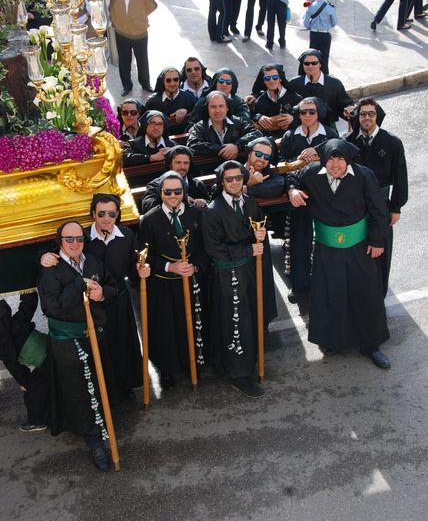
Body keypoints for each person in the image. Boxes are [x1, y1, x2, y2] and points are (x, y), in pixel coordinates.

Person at [286, 139, 391, 370]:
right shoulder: (313, 173)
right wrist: (292, 189)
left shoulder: (363, 176)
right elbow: (293, 177)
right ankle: (333, 341)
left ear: (348, 159)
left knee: (364, 294)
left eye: (340, 158)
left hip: (361, 247)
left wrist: (376, 240)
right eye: (331, 158)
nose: (335, 164)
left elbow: (379, 211)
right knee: (330, 293)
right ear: (324, 159)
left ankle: (370, 345)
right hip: (327, 247)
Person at [41, 196, 149, 401]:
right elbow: (60, 253)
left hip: (117, 298)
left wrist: (141, 270)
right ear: (93, 214)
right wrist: (42, 257)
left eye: (112, 213)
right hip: (91, 304)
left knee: (121, 343)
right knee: (102, 348)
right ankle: (105, 392)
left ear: (117, 215)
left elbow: (134, 271)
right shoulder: (83, 238)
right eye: (101, 213)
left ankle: (124, 387)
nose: (107, 218)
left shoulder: (126, 235)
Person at [38, 221, 117, 471]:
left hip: (95, 334)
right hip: (67, 340)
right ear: (59, 241)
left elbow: (115, 286)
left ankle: (105, 425)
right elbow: (52, 307)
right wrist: (78, 286)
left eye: (79, 239)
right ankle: (93, 440)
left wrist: (102, 293)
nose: (75, 244)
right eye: (69, 239)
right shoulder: (50, 269)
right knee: (78, 391)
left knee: (99, 382)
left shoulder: (93, 261)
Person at [201, 161, 277, 398]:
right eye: (229, 179)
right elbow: (215, 249)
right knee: (236, 323)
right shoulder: (212, 211)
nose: (234, 182)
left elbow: (259, 232)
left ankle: (251, 363)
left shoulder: (251, 203)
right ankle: (238, 373)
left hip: (250, 271)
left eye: (238, 178)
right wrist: (248, 250)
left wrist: (261, 235)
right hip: (227, 274)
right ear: (221, 182)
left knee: (252, 317)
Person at [138, 171, 209, 389]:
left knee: (194, 323)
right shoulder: (149, 220)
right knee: (166, 328)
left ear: (184, 192)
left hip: (192, 279)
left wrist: (194, 265)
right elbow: (144, 255)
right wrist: (171, 266)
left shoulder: (197, 215)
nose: (172, 195)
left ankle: (193, 363)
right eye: (167, 191)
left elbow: (207, 246)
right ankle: (167, 370)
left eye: (177, 191)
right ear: (160, 193)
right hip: (164, 283)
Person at [346, 97, 408, 297]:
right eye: (362, 114)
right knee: (357, 251)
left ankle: (379, 294)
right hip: (355, 206)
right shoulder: (347, 142)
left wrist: (396, 207)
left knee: (381, 249)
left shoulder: (392, 142)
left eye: (371, 114)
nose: (366, 118)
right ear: (357, 117)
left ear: (377, 116)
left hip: (381, 206)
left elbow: (400, 177)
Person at [280, 98, 338, 303]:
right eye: (303, 112)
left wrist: (319, 153)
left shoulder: (330, 135)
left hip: (325, 196)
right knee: (299, 241)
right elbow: (282, 166)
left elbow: (339, 162)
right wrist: (291, 189)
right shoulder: (290, 136)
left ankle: (328, 283)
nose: (307, 116)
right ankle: (300, 285)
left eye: (311, 111)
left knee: (327, 241)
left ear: (319, 112)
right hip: (300, 196)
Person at [0, 293, 50, 432]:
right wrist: (25, 287)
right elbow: (29, 302)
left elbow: (9, 359)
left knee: (33, 391)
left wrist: (24, 381)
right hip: (55, 348)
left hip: (49, 360)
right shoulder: (16, 321)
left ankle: (38, 421)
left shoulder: (4, 340)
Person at [109, 0, 157, 97]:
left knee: (142, 59)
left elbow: (153, 5)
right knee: (124, 61)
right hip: (122, 33)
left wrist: (139, 17)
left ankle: (145, 84)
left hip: (139, 32)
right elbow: (111, 8)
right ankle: (126, 86)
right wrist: (116, 23)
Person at [287, 50, 355, 128]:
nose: (310, 66)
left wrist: (348, 110)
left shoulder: (334, 83)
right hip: (301, 127)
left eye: (314, 63)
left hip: (328, 126)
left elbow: (345, 104)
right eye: (306, 63)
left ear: (320, 64)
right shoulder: (294, 83)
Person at [187, 92, 262, 162]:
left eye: (221, 106)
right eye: (213, 107)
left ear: (227, 108)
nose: (217, 110)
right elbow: (192, 144)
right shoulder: (200, 127)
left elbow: (256, 133)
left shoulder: (238, 122)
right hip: (209, 170)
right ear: (207, 109)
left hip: (238, 166)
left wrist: (237, 146)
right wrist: (222, 149)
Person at [141, 145, 210, 213]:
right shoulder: (155, 185)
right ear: (169, 164)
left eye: (186, 163)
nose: (182, 167)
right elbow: (147, 207)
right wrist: (175, 199)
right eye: (178, 162)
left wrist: (204, 202)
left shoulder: (197, 184)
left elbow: (209, 203)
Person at [252, 64, 301, 140]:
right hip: (269, 142)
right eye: (267, 78)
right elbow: (253, 117)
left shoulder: (295, 98)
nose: (271, 81)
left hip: (292, 139)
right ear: (264, 81)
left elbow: (308, 119)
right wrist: (258, 118)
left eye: (275, 77)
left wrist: (293, 119)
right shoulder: (260, 102)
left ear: (280, 79)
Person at [144, 67, 197, 134]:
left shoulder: (189, 97)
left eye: (175, 80)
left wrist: (186, 110)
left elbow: (197, 118)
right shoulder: (152, 101)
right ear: (163, 81)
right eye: (168, 80)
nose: (172, 84)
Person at [303, 0, 336, 75]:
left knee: (312, 56)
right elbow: (334, 23)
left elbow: (305, 22)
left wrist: (310, 26)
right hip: (325, 34)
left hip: (314, 34)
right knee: (325, 56)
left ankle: (312, 74)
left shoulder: (311, 6)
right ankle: (325, 75)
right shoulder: (330, 7)